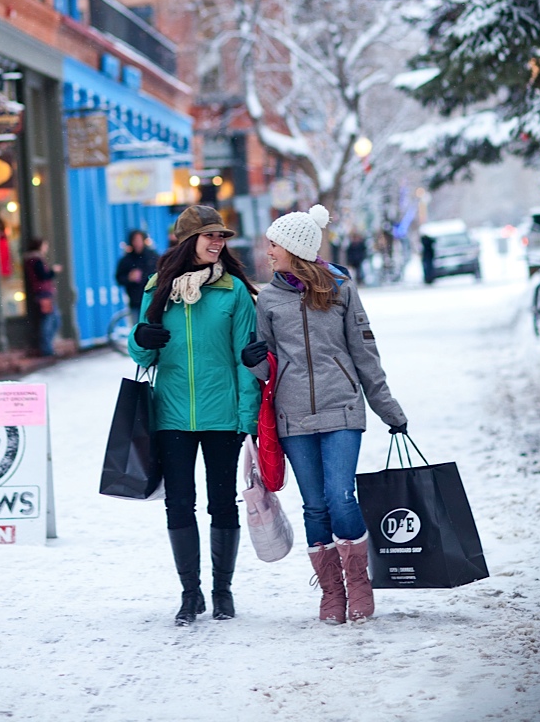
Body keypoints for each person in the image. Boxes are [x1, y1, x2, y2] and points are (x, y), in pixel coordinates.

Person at [242, 204, 407, 624]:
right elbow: (269, 366)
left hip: (343, 408)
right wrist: (254, 360)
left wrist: (388, 408)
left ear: (294, 247)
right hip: (293, 416)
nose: (268, 251)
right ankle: (332, 592)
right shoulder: (269, 300)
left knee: (340, 496)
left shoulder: (341, 289)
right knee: (315, 506)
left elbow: (365, 353)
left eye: (274, 244)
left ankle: (359, 584)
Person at [128, 204, 260, 626]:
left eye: (222, 237)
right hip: (171, 415)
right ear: (189, 241)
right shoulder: (158, 289)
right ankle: (191, 594)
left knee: (223, 503)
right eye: (211, 236)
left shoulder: (233, 291)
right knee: (179, 505)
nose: (218, 243)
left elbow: (245, 358)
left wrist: (246, 415)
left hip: (222, 414)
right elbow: (143, 354)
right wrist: (141, 337)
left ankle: (223, 592)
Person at [23, 238, 62, 357]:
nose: (46, 248)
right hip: (43, 293)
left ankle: (46, 347)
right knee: (50, 320)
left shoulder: (33, 259)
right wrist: (53, 271)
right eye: (45, 245)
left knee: (51, 319)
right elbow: (43, 276)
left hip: (43, 293)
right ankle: (46, 349)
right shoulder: (36, 260)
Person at [114, 230, 159, 324]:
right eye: (135, 240)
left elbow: (160, 273)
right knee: (137, 330)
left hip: (153, 301)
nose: (137, 243)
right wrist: (129, 278)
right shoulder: (126, 260)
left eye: (139, 240)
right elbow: (119, 278)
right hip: (135, 301)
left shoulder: (153, 256)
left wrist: (144, 277)